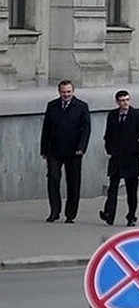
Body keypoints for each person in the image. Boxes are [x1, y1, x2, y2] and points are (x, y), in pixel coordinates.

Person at [40, 80, 91, 223]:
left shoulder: (81, 107)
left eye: (68, 92)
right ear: (59, 92)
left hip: (74, 151)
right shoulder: (52, 106)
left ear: (73, 91)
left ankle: (70, 214)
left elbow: (86, 129)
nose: (66, 94)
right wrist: (44, 149)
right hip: (54, 150)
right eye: (63, 92)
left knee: (73, 182)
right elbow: (46, 129)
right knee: (53, 178)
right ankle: (54, 211)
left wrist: (81, 147)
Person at [99, 90, 139, 227]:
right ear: (117, 102)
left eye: (127, 100)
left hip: (131, 158)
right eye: (122, 100)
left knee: (131, 190)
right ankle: (109, 213)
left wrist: (137, 150)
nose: (125, 103)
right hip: (116, 157)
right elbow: (108, 135)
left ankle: (131, 216)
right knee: (113, 187)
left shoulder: (137, 115)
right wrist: (109, 149)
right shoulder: (112, 115)